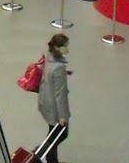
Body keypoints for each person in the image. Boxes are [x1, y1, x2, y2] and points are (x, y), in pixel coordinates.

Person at [35, 33, 71, 163]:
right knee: (61, 134)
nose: (67, 49)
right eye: (65, 47)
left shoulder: (49, 57)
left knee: (53, 133)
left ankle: (51, 159)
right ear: (57, 47)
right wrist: (63, 116)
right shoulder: (59, 68)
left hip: (45, 101)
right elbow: (60, 95)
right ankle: (38, 154)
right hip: (55, 108)